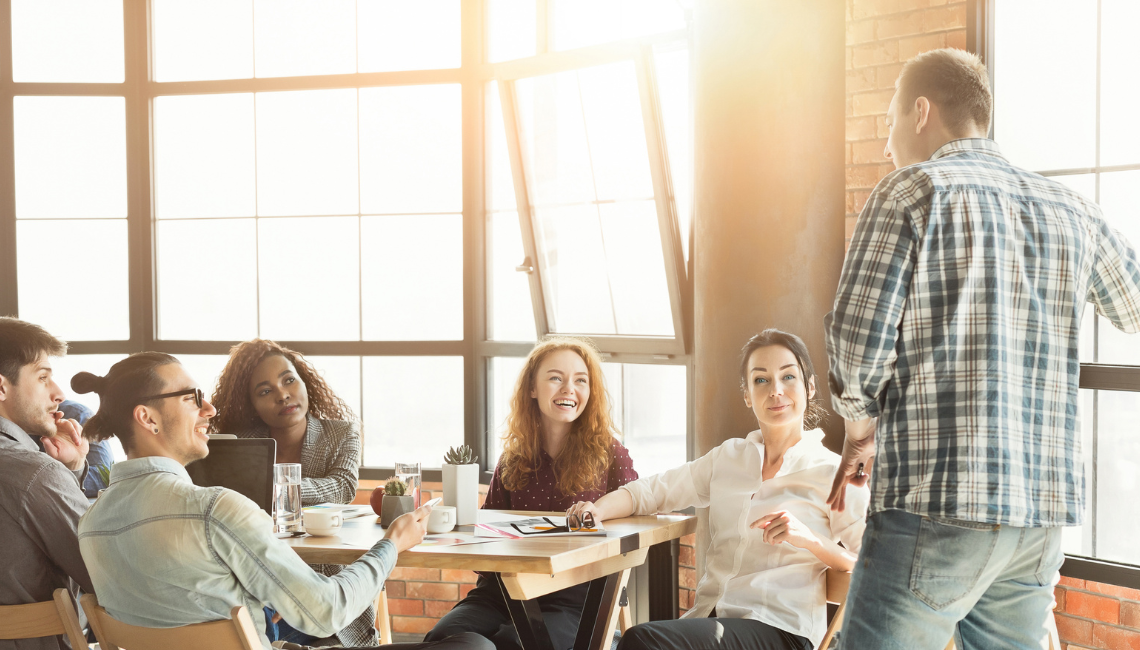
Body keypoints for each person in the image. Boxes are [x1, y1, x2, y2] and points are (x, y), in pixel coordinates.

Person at [824, 48, 1140, 650]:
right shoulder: (1072, 209)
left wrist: (859, 430)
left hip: (938, 503)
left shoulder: (909, 193)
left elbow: (858, 351)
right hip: (1037, 520)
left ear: (920, 112)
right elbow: (1134, 305)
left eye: (890, 122)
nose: (888, 146)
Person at [74, 352, 492, 650]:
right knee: (473, 646)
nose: (209, 408)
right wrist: (391, 545)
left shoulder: (91, 520)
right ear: (147, 418)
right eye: (190, 398)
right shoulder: (215, 508)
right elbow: (326, 612)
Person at [567, 330, 869, 650]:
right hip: (710, 620)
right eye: (761, 380)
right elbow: (651, 491)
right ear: (747, 395)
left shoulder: (834, 473)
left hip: (782, 630)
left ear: (809, 387)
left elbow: (869, 563)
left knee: (642, 641)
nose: (776, 390)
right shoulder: (728, 458)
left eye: (788, 377)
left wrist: (809, 539)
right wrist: (597, 509)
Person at [425, 337, 638, 650]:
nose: (569, 388)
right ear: (532, 389)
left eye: (580, 380)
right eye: (556, 378)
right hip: (501, 592)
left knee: (514, 643)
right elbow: (487, 531)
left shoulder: (612, 454)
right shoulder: (513, 457)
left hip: (574, 598)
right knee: (446, 639)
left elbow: (638, 513)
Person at [210, 338, 370, 647]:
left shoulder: (341, 433)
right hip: (258, 591)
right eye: (265, 391)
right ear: (252, 405)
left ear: (303, 381)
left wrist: (275, 485)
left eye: (288, 380)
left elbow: (342, 487)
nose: (283, 395)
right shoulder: (240, 443)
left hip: (323, 590)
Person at [0, 317, 94, 650]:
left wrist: (72, 469)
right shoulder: (33, 473)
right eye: (43, 378)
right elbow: (105, 575)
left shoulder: (38, 472)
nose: (59, 394)